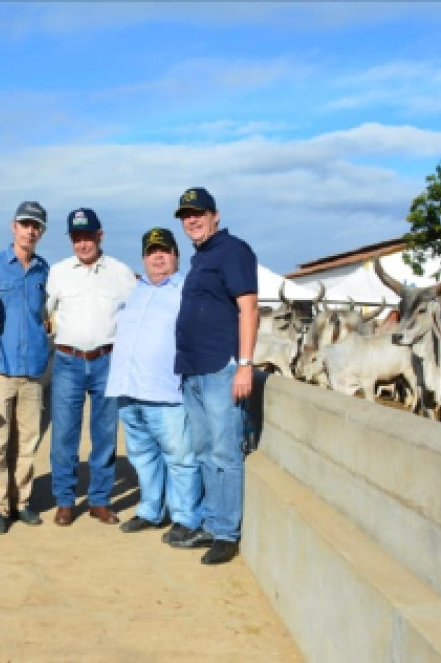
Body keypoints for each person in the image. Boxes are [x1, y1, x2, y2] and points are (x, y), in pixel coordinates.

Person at [169, 187, 258, 565]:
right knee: (205, 451)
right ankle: (210, 521)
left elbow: (249, 307)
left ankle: (226, 533)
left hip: (222, 370)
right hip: (194, 371)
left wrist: (245, 364)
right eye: (186, 214)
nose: (192, 219)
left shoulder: (233, 250)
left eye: (199, 212)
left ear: (215, 215)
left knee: (224, 452)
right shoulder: (201, 257)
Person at [105, 228, 202, 537]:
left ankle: (186, 518)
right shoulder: (136, 290)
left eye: (164, 250)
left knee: (180, 458)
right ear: (144, 258)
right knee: (142, 457)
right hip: (128, 389)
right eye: (151, 251)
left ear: (176, 255)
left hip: (166, 391)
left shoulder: (187, 289)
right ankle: (151, 510)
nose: (157, 256)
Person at [45, 208, 137, 526]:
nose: (83, 244)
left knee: (105, 435)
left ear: (100, 235)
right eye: (77, 238)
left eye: (88, 237)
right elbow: (41, 312)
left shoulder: (121, 272)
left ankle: (99, 500)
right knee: (64, 436)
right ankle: (65, 500)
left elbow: (139, 310)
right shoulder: (57, 273)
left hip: (107, 361)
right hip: (68, 361)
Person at [0, 202, 52, 535]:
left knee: (28, 442)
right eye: (25, 224)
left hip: (34, 370)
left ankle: (22, 503)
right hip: (1, 370)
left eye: (36, 226)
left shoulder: (44, 270)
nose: (30, 231)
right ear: (13, 227)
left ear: (41, 232)